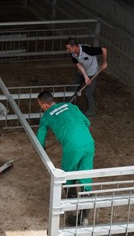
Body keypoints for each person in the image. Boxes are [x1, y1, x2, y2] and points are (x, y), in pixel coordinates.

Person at [36, 90, 95, 225]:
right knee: (86, 178)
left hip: (72, 147)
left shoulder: (46, 116)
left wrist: (42, 149)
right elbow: (87, 122)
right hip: (88, 142)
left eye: (40, 105)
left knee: (67, 177)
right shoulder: (71, 106)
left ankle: (71, 212)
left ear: (44, 105)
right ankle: (84, 218)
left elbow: (40, 139)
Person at [65, 38, 108, 116]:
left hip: (92, 72)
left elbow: (104, 50)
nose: (67, 50)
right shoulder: (72, 53)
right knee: (73, 87)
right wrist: (85, 76)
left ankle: (91, 110)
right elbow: (78, 64)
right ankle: (66, 105)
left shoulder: (87, 50)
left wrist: (104, 63)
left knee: (88, 92)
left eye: (68, 48)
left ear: (74, 47)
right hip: (82, 71)